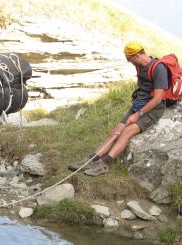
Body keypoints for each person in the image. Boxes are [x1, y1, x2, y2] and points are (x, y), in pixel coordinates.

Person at [69, 41, 169, 176]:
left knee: (126, 132)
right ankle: (90, 160)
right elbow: (144, 86)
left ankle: (104, 164)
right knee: (115, 133)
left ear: (136, 56)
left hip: (153, 109)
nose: (130, 63)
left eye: (130, 60)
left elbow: (157, 98)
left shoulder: (159, 68)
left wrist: (138, 114)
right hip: (139, 105)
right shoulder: (140, 66)